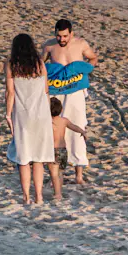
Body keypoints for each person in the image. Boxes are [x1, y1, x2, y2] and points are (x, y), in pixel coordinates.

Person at [43, 19, 98, 184]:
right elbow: (40, 64)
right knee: (55, 128)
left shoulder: (81, 44)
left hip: (75, 91)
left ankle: (78, 174)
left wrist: (84, 69)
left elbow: (93, 58)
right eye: (59, 36)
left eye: (65, 36)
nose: (62, 40)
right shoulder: (48, 46)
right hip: (56, 90)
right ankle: (55, 170)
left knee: (77, 126)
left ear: (71, 33)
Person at [5, 32, 55, 206]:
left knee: (24, 159)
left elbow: (10, 92)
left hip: (23, 116)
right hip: (41, 115)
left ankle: (26, 197)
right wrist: (48, 113)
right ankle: (39, 196)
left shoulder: (12, 65)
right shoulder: (39, 63)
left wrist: (7, 114)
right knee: (39, 158)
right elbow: (46, 91)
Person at [48, 98, 88, 202]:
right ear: (61, 109)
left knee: (54, 174)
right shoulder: (64, 120)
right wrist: (82, 132)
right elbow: (73, 126)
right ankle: (59, 191)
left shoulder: (48, 122)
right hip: (63, 151)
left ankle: (57, 194)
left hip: (53, 150)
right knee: (60, 173)